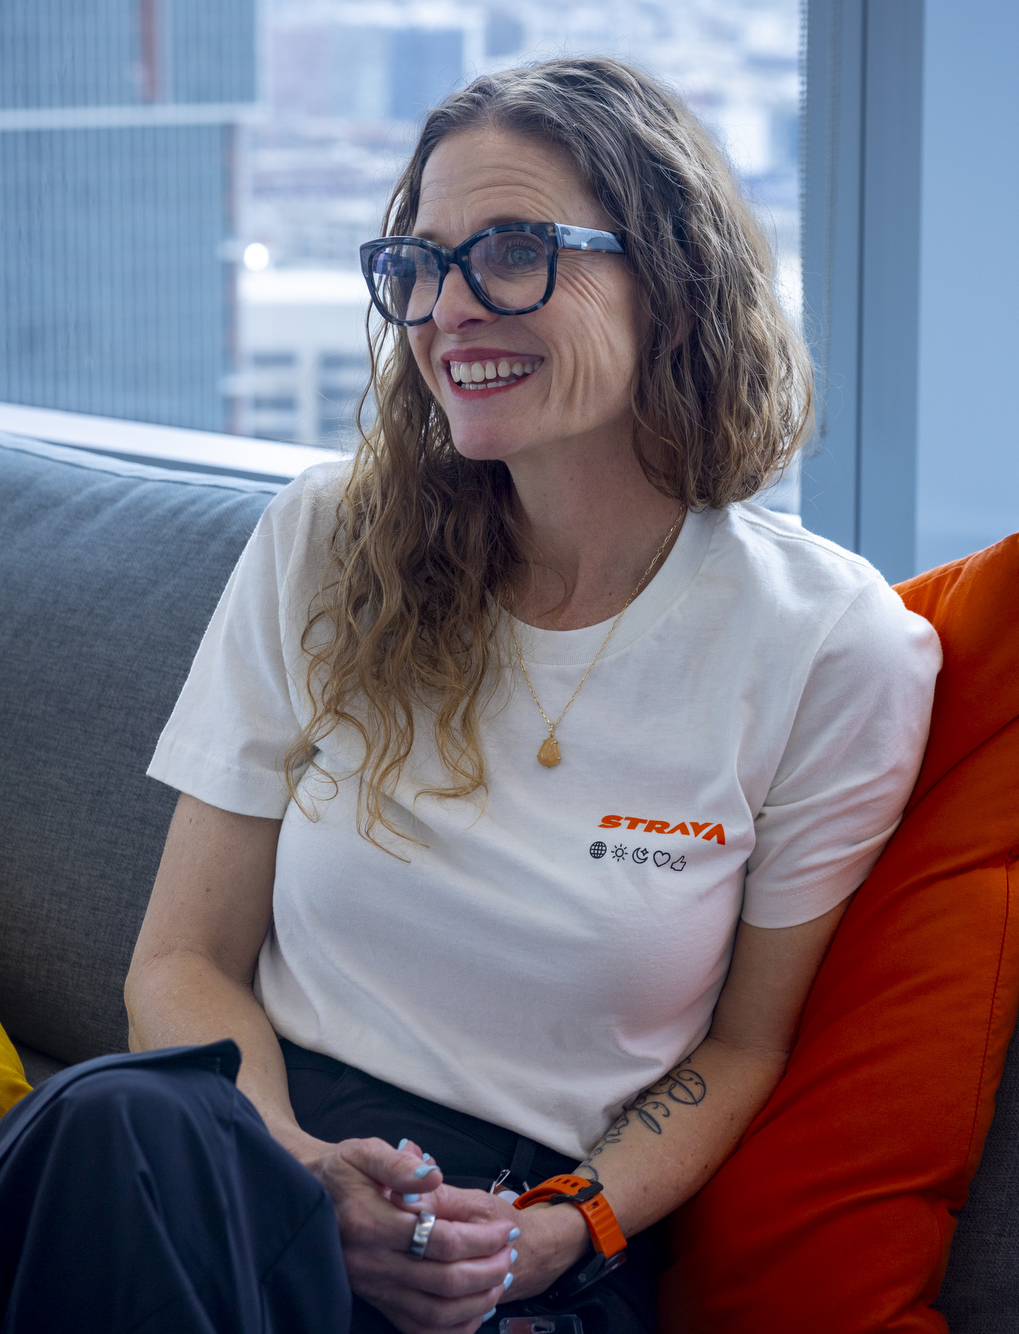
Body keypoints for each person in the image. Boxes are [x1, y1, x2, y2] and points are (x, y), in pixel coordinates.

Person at [0, 56, 939, 1334]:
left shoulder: (833, 646)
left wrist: (562, 1230)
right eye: (419, 264)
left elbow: (744, 1049)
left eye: (509, 251)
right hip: (249, 1154)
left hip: (526, 1233)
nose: (447, 308)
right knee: (115, 1119)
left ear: (671, 279)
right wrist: (294, 1168)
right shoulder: (329, 541)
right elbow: (181, 959)